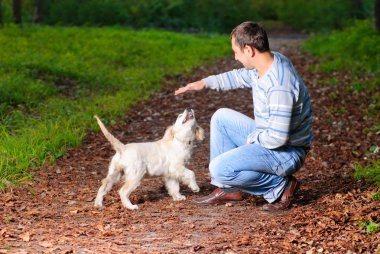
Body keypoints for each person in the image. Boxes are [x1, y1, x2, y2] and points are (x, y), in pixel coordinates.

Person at [174, 21, 313, 211]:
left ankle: (280, 186)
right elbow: (237, 77)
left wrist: (251, 139)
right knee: (221, 117)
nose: (235, 57)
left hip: (286, 151)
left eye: (236, 52)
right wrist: (203, 83)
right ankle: (229, 189)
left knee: (219, 168)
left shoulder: (280, 85)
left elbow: (277, 138)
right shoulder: (268, 62)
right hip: (270, 137)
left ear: (248, 50)